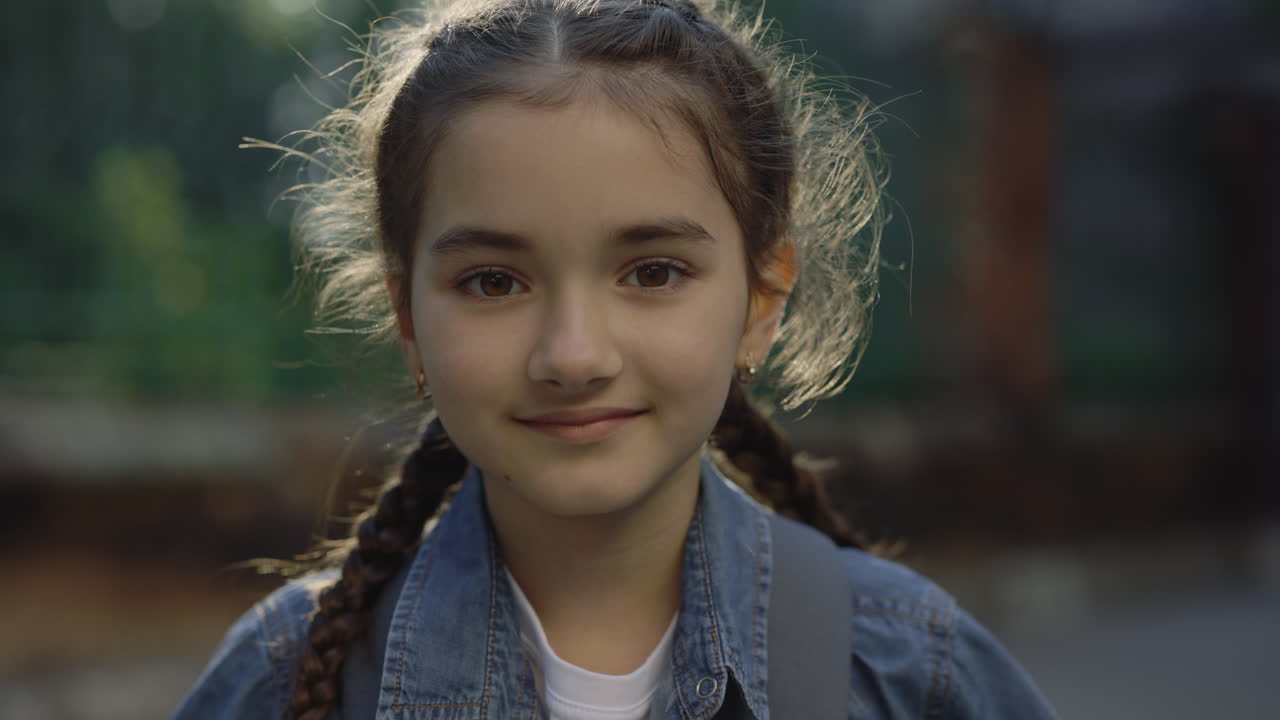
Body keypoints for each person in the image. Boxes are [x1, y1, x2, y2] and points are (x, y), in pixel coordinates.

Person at [175, 1, 1057, 718]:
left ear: (760, 299)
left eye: (653, 272)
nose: (574, 354)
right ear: (409, 315)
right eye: (492, 282)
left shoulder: (909, 669)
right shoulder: (284, 678)